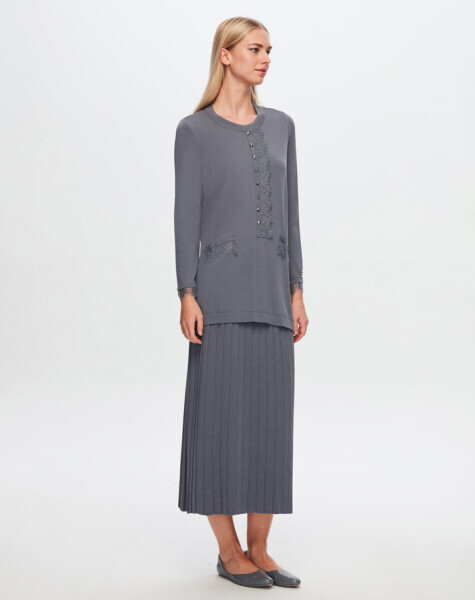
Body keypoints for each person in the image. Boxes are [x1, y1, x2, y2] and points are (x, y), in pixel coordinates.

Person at [174, 16, 309, 588]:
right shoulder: (194, 131)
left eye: (269, 50)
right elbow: (185, 217)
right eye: (255, 49)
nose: (266, 58)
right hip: (220, 297)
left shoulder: (282, 127)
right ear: (226, 55)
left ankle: (261, 549)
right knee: (217, 424)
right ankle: (229, 552)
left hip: (273, 294)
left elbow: (291, 214)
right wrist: (186, 292)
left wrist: (297, 287)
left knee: (270, 425)